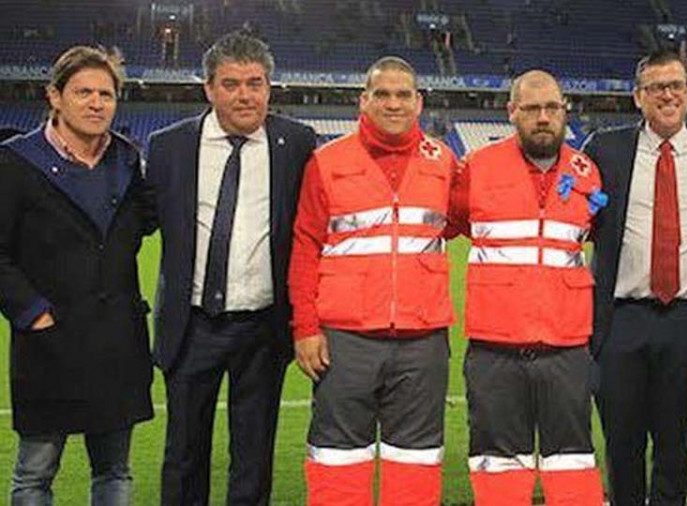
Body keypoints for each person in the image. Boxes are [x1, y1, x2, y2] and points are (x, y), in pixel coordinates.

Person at [145, 31, 316, 505]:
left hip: (263, 327)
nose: (245, 95)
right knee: (183, 453)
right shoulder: (169, 146)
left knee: (254, 454)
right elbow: (138, 222)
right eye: (232, 83)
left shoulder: (296, 142)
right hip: (192, 325)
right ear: (209, 88)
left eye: (256, 83)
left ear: (270, 87)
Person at [289, 56, 456, 506]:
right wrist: (305, 328)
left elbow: (466, 220)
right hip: (346, 339)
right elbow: (305, 246)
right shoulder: (326, 161)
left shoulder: (444, 160)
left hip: (423, 341)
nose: (393, 103)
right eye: (382, 94)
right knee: (338, 458)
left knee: (417, 461)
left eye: (403, 94)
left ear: (419, 103)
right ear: (363, 101)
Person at [0, 45, 154, 504]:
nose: (96, 103)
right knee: (35, 474)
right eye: (83, 92)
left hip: (116, 345)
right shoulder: (14, 162)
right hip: (50, 343)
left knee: (114, 473)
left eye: (105, 94)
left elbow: (144, 225)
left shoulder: (127, 160)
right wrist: (33, 314)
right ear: (55, 96)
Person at [582, 50, 687, 506]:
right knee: (622, 442)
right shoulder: (605, 149)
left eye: (676, 86)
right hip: (621, 319)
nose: (667, 95)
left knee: (674, 443)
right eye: (655, 87)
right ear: (638, 97)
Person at [449, 70, 606, 505]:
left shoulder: (586, 171)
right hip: (494, 352)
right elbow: (454, 223)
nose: (543, 117)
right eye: (532, 108)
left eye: (552, 108)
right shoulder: (477, 167)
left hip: (566, 350)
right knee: (497, 468)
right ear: (512, 112)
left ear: (564, 111)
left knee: (571, 465)